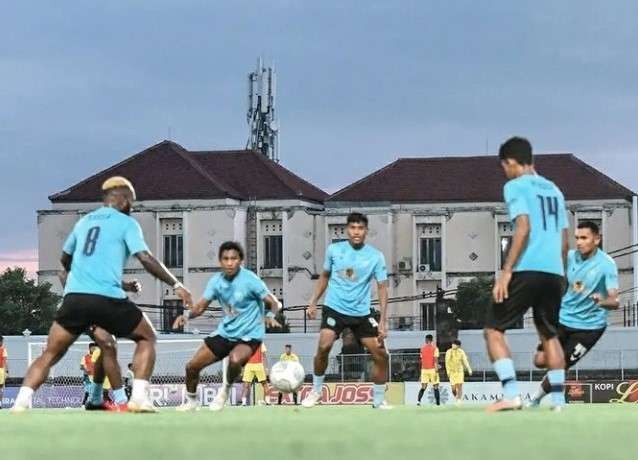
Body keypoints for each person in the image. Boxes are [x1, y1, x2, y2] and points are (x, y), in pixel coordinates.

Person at [11, 176, 193, 413]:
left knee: (58, 352)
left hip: (75, 300)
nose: (131, 206)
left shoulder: (84, 222)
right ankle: (136, 397)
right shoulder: (126, 223)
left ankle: (21, 402)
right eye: (131, 201)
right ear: (122, 199)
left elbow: (65, 260)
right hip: (107, 299)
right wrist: (176, 284)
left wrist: (103, 283)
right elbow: (146, 258)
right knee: (146, 337)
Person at [485, 137, 569, 412]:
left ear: (510, 163)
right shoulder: (555, 190)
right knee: (550, 336)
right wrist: (561, 274)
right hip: (554, 271)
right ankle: (558, 402)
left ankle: (511, 394)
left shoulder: (515, 186)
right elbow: (564, 239)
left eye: (504, 167)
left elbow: (523, 227)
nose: (505, 172)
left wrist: (506, 271)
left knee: (494, 330)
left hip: (527, 268)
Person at [174, 241, 281, 412]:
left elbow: (275, 303)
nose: (230, 263)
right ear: (220, 261)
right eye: (226, 259)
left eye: (234, 259)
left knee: (235, 359)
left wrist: (270, 316)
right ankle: (191, 401)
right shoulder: (216, 282)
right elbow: (201, 306)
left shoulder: (251, 280)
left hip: (250, 334)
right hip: (226, 332)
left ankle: (225, 391)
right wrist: (186, 315)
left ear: (241, 261)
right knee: (191, 366)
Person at [302, 212, 391, 410]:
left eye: (360, 228)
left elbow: (383, 287)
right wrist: (313, 302)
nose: (356, 232)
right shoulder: (334, 250)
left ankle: (378, 400)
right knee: (324, 346)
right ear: (347, 230)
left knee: (381, 355)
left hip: (362, 313)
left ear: (366, 231)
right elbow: (324, 277)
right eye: (352, 228)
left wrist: (383, 321)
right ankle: (316, 391)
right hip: (335, 308)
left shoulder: (376, 256)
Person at [530, 221, 619, 406]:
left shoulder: (607, 265)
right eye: (577, 238)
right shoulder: (571, 257)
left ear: (597, 239)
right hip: (562, 319)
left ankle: (538, 400)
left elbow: (615, 301)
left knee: (561, 364)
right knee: (540, 361)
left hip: (589, 328)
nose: (579, 242)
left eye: (584, 238)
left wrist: (601, 301)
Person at [445, 339, 472, 404]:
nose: (453, 345)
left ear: (458, 346)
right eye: (452, 344)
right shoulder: (449, 351)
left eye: (454, 344)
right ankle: (456, 397)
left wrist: (469, 369)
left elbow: (465, 361)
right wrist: (448, 371)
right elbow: (447, 362)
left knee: (460, 385)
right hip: (452, 372)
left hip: (459, 371)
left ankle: (459, 400)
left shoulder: (461, 352)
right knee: (453, 388)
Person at [417, 334, 440, 406]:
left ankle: (418, 401)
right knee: (435, 386)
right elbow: (435, 359)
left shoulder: (422, 349)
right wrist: (436, 368)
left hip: (424, 370)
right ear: (432, 340)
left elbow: (422, 359)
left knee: (423, 386)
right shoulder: (435, 348)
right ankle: (438, 404)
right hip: (432, 369)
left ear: (426, 340)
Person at [80, 342, 97, 407]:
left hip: (96, 376)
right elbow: (81, 366)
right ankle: (84, 403)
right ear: (89, 348)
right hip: (88, 376)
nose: (94, 349)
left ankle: (94, 403)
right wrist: (85, 369)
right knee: (88, 391)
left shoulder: (98, 357)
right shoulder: (85, 357)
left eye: (95, 348)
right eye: (92, 348)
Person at [0, 336, 8, 410]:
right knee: (1, 387)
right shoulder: (3, 349)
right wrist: (7, 371)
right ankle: (0, 404)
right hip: (1, 370)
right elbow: (5, 362)